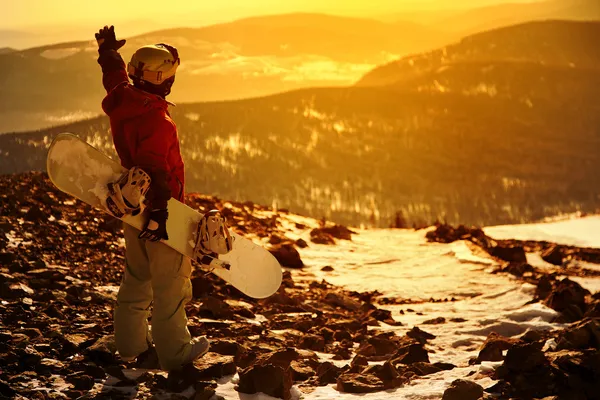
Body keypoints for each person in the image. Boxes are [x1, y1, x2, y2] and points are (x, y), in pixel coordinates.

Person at [94, 25, 209, 371]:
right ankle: (176, 354)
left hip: (133, 208)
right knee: (171, 287)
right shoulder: (158, 120)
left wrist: (107, 54)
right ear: (165, 80)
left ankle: (129, 345)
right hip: (162, 211)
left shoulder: (124, 100)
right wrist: (161, 216)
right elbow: (157, 170)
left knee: (136, 279)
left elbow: (114, 81)